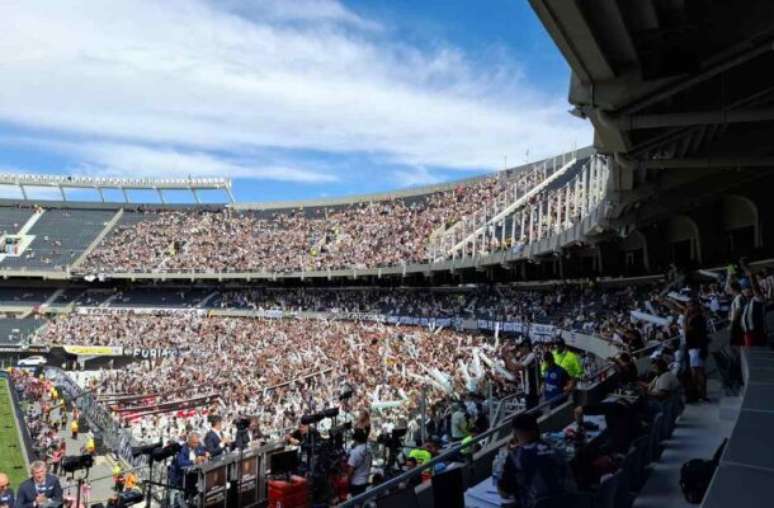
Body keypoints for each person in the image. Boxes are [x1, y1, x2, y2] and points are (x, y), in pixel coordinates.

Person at [497, 413, 574, 506]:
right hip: (565, 503)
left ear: (516, 434)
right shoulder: (555, 450)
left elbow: (505, 492)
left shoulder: (515, 456)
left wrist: (507, 457)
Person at [684, 299, 709, 401]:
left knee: (697, 372)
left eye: (690, 306)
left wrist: (685, 319)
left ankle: (700, 394)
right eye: (688, 306)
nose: (688, 309)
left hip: (696, 348)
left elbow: (686, 329)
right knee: (699, 371)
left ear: (695, 307)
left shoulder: (697, 318)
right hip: (696, 347)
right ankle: (701, 394)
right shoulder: (699, 317)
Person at [346, 428, 372, 497]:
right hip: (366, 480)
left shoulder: (355, 452)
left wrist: (346, 479)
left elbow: (350, 470)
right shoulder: (368, 448)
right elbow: (370, 463)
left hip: (356, 483)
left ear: (355, 439)